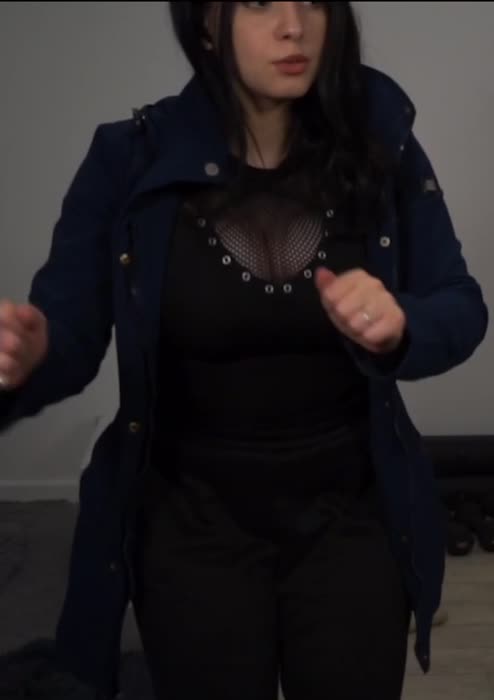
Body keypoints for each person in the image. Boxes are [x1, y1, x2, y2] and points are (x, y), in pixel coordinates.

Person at [0, 1, 488, 699]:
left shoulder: (381, 145)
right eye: (259, 1)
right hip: (190, 518)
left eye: (312, 0)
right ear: (205, 21)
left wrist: (403, 322)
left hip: (351, 512)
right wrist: (30, 356)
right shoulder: (129, 158)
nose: (294, 25)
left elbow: (460, 306)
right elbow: (69, 335)